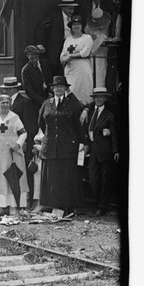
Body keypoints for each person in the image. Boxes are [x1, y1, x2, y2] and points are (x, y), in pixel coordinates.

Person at [37, 75, 85, 217]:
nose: (58, 89)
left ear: (65, 89)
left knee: (66, 178)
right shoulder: (47, 103)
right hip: (50, 146)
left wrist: (81, 143)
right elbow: (41, 122)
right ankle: (53, 206)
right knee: (52, 177)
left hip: (67, 148)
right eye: (56, 87)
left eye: (61, 87)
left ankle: (67, 207)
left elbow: (78, 126)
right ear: (52, 89)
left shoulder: (73, 104)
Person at [0, 94, 29, 216]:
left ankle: (14, 205)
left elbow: (23, 133)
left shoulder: (14, 117)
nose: (5, 105)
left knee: (13, 177)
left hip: (12, 152)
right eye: (2, 103)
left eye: (7, 102)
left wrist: (18, 144)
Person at [85, 87, 120, 216]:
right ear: (93, 99)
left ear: (105, 99)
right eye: (96, 97)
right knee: (93, 179)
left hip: (105, 151)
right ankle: (97, 203)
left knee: (105, 180)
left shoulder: (109, 115)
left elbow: (114, 134)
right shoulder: (90, 112)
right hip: (93, 150)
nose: (98, 99)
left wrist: (116, 150)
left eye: (101, 97)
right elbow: (86, 129)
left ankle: (102, 206)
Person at [35, 0, 81, 76]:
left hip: (70, 46)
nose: (71, 11)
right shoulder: (53, 17)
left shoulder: (74, 17)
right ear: (63, 8)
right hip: (56, 48)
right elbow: (41, 28)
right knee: (57, 70)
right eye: (69, 9)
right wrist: (40, 44)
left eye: (73, 8)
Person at [60, 15, 94, 105]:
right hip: (70, 69)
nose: (76, 26)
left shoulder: (87, 38)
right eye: (74, 24)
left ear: (82, 26)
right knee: (71, 90)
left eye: (78, 24)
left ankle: (85, 109)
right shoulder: (68, 39)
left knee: (82, 90)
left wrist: (70, 56)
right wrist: (64, 58)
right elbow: (62, 55)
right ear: (71, 27)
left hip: (82, 69)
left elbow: (84, 53)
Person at [21, 45, 52, 117]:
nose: (34, 60)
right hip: (36, 101)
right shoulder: (26, 70)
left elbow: (50, 79)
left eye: (36, 57)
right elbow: (29, 91)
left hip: (48, 96)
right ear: (27, 56)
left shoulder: (45, 64)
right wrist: (43, 102)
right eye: (32, 58)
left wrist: (51, 92)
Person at [85, 7, 112, 89]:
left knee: (101, 71)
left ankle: (100, 90)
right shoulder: (87, 27)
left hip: (103, 52)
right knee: (91, 71)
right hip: (91, 53)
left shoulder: (108, 24)